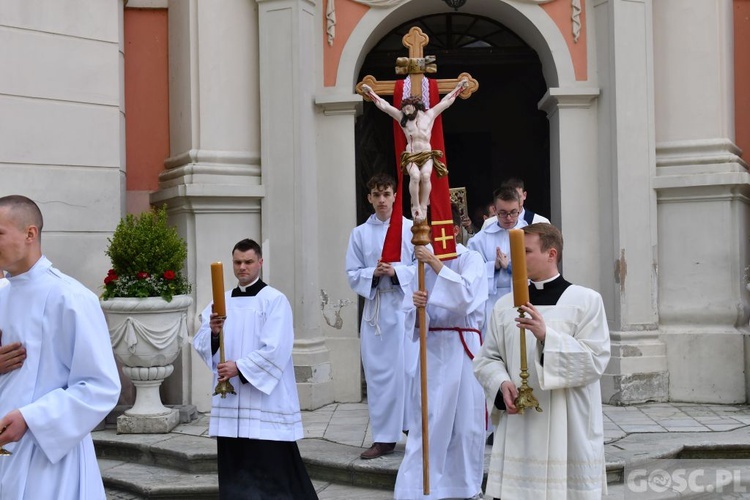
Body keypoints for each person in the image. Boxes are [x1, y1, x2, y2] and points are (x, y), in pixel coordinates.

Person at [473, 223, 611, 500]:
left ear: (551, 254)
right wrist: (501, 384)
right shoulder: (504, 305)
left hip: (567, 424)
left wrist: (548, 337)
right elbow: (488, 358)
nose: (517, 258)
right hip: (520, 428)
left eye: (526, 251)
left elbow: (596, 360)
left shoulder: (586, 301)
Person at [0, 195, 121, 498]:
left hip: (48, 458)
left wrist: (31, 418)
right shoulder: (1, 295)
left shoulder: (71, 298)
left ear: (30, 234)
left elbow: (100, 386)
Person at [193, 238, 317, 499]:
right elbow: (201, 340)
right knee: (235, 466)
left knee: (271, 467)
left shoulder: (274, 300)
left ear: (260, 262)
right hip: (231, 402)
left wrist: (239, 368)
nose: (242, 267)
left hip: (264, 401)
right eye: (237, 262)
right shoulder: (220, 301)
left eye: (248, 262)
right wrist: (214, 333)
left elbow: (277, 348)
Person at [394, 204, 487, 500]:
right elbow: (410, 319)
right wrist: (419, 307)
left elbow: (466, 299)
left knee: (466, 424)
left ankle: (465, 486)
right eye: (428, 233)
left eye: (437, 232)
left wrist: (434, 263)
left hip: (463, 348)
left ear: (455, 230)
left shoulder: (471, 259)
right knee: (430, 419)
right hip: (433, 348)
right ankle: (420, 488)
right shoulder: (417, 267)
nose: (432, 239)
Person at [345, 173, 417, 459]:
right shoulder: (360, 233)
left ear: (396, 196)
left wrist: (397, 271)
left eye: (387, 194)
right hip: (376, 311)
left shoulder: (411, 229)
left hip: (404, 309)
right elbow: (352, 273)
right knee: (379, 376)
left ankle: (414, 430)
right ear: (370, 198)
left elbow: (420, 266)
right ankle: (384, 438)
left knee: (409, 373)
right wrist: (372, 273)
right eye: (377, 195)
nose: (382, 200)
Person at [361, 79, 468, 221]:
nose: (405, 110)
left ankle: (424, 205)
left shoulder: (429, 116)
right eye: (403, 108)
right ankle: (415, 206)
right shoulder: (403, 119)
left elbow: (446, 102)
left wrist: (459, 88)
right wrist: (371, 93)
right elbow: (385, 107)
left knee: (425, 176)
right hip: (411, 155)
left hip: (426, 154)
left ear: (415, 106)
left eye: (407, 108)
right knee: (415, 176)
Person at [468, 187, 528, 327]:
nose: (509, 218)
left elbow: (539, 267)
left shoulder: (530, 234)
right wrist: (493, 266)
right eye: (503, 213)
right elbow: (471, 273)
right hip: (492, 299)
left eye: (513, 212)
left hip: (522, 297)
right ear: (494, 210)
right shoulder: (480, 240)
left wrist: (511, 267)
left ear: (519, 207)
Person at [481, 178, 550, 230]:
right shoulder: (489, 224)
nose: (514, 201)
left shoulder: (541, 222)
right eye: (509, 198)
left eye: (518, 197)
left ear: (524, 195)